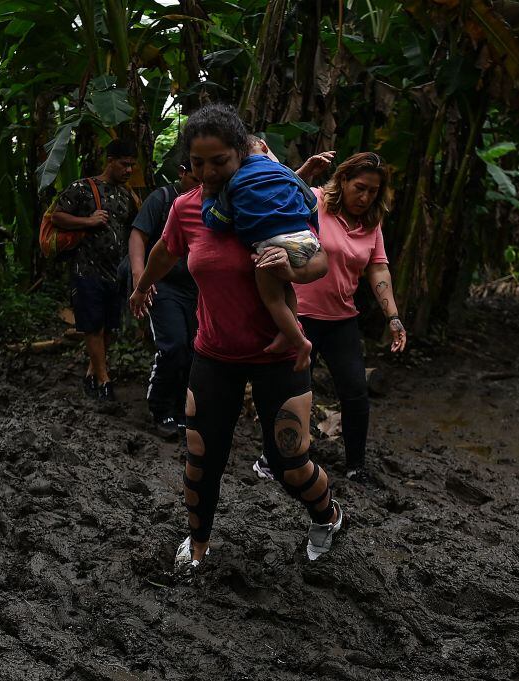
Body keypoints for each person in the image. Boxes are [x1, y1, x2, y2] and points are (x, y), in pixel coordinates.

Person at [129, 105, 344, 570]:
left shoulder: (273, 196)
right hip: (215, 355)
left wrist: (287, 266)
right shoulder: (187, 209)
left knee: (290, 462)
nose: (207, 173)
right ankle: (198, 542)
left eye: (219, 162)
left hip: (279, 354)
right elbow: (167, 251)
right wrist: (143, 286)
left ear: (241, 155)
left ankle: (327, 517)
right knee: (201, 459)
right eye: (198, 163)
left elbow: (319, 262)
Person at [253, 152, 406, 485]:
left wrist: (392, 316)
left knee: (355, 392)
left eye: (373, 192)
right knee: (292, 391)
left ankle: (355, 466)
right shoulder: (318, 200)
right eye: (359, 187)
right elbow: (275, 191)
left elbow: (378, 267)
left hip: (341, 320)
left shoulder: (371, 223)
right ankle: (271, 459)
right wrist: (305, 169)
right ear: (344, 180)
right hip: (300, 314)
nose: (365, 197)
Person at [200, 127, 324, 371]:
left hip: (271, 245)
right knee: (286, 286)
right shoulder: (285, 171)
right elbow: (311, 201)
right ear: (265, 148)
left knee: (273, 298)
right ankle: (287, 330)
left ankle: (300, 342)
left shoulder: (234, 181)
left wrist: (207, 199)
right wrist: (314, 233)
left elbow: (217, 221)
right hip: (305, 239)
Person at [52, 138, 140, 402]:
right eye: (124, 165)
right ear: (110, 161)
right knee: (93, 327)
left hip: (116, 271)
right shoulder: (82, 188)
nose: (128, 171)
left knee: (110, 326)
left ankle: (93, 371)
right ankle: (104, 380)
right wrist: (87, 221)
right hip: (86, 268)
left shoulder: (128, 196)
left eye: (132, 166)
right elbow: (57, 216)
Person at [128, 159, 201, 438]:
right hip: (163, 285)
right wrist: (140, 276)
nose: (200, 183)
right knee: (173, 347)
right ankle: (161, 408)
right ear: (182, 172)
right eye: (195, 178)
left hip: (197, 289)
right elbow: (139, 234)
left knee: (196, 351)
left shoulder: (211, 198)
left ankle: (182, 409)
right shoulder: (163, 198)